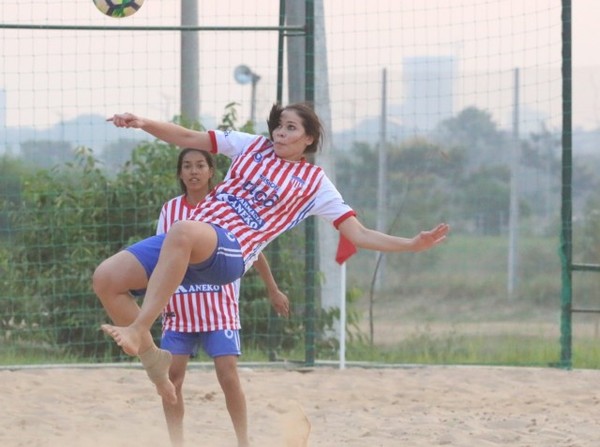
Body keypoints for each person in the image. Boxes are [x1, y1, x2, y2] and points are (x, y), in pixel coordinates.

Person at [94, 102, 450, 405]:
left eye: (290, 127)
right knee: (107, 279)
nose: (280, 132)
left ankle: (140, 328)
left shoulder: (315, 183)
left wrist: (410, 244)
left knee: (182, 229)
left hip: (230, 252)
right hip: (189, 240)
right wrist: (143, 123)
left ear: (308, 139)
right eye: (279, 125)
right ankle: (153, 359)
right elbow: (188, 137)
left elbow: (358, 233)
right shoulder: (252, 146)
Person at [155, 148, 288, 446]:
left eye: (200, 165)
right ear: (180, 173)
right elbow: (160, 255)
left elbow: (252, 249)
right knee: (171, 379)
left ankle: (243, 441)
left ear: (211, 171)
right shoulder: (171, 210)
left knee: (228, 377)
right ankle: (177, 442)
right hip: (179, 307)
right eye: (187, 166)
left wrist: (272, 288)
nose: (193, 171)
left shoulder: (227, 207)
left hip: (219, 307)